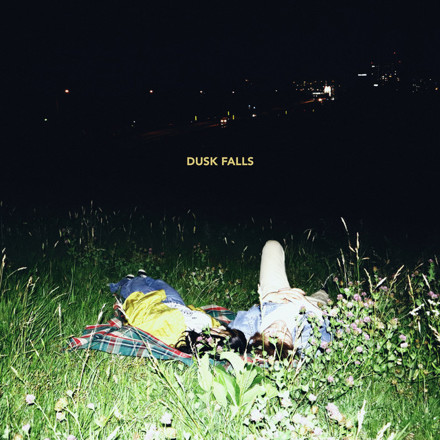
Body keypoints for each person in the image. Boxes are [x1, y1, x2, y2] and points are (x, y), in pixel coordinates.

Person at [227, 240, 331, 359]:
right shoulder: (305, 342)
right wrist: (308, 305)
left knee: (272, 246)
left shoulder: (248, 330)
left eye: (271, 333)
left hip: (275, 298)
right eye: (286, 334)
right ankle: (324, 290)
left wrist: (266, 298)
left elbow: (226, 337)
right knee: (321, 298)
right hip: (310, 307)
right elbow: (336, 329)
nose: (280, 327)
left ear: (259, 337)